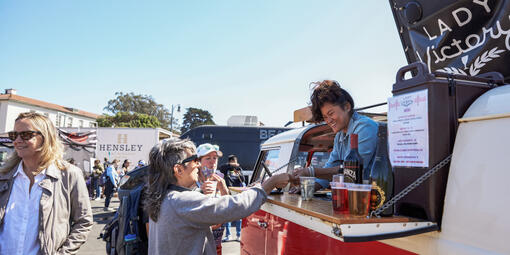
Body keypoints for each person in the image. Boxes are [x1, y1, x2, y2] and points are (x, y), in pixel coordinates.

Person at [144, 137, 289, 255]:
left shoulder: (164, 195)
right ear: (178, 169)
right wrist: (269, 185)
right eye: (194, 160)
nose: (198, 165)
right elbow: (235, 207)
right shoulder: (182, 201)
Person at [0, 112, 93, 254]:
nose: (17, 140)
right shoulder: (4, 176)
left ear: (45, 138)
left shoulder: (69, 175)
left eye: (25, 135)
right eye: (14, 135)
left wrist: (63, 253)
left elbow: (84, 222)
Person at [292, 80, 378, 187]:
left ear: (346, 106)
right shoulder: (339, 137)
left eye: (331, 113)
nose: (328, 121)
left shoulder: (365, 127)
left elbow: (352, 170)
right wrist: (309, 188)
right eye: (325, 117)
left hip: (374, 197)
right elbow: (331, 166)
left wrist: (311, 171)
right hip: (351, 195)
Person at [196, 143, 226, 254]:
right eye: (208, 158)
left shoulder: (219, 179)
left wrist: (223, 189)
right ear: (198, 162)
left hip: (216, 242)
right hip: (198, 244)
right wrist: (200, 193)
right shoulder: (193, 181)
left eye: (215, 158)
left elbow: (229, 206)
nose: (212, 162)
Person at [219, 155, 245, 242]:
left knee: (239, 216)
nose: (235, 163)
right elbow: (221, 168)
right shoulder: (226, 168)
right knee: (228, 215)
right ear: (230, 162)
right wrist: (231, 166)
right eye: (233, 161)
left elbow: (243, 179)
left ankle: (238, 235)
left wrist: (238, 172)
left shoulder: (238, 169)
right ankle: (228, 235)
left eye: (236, 162)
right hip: (228, 193)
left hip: (237, 194)